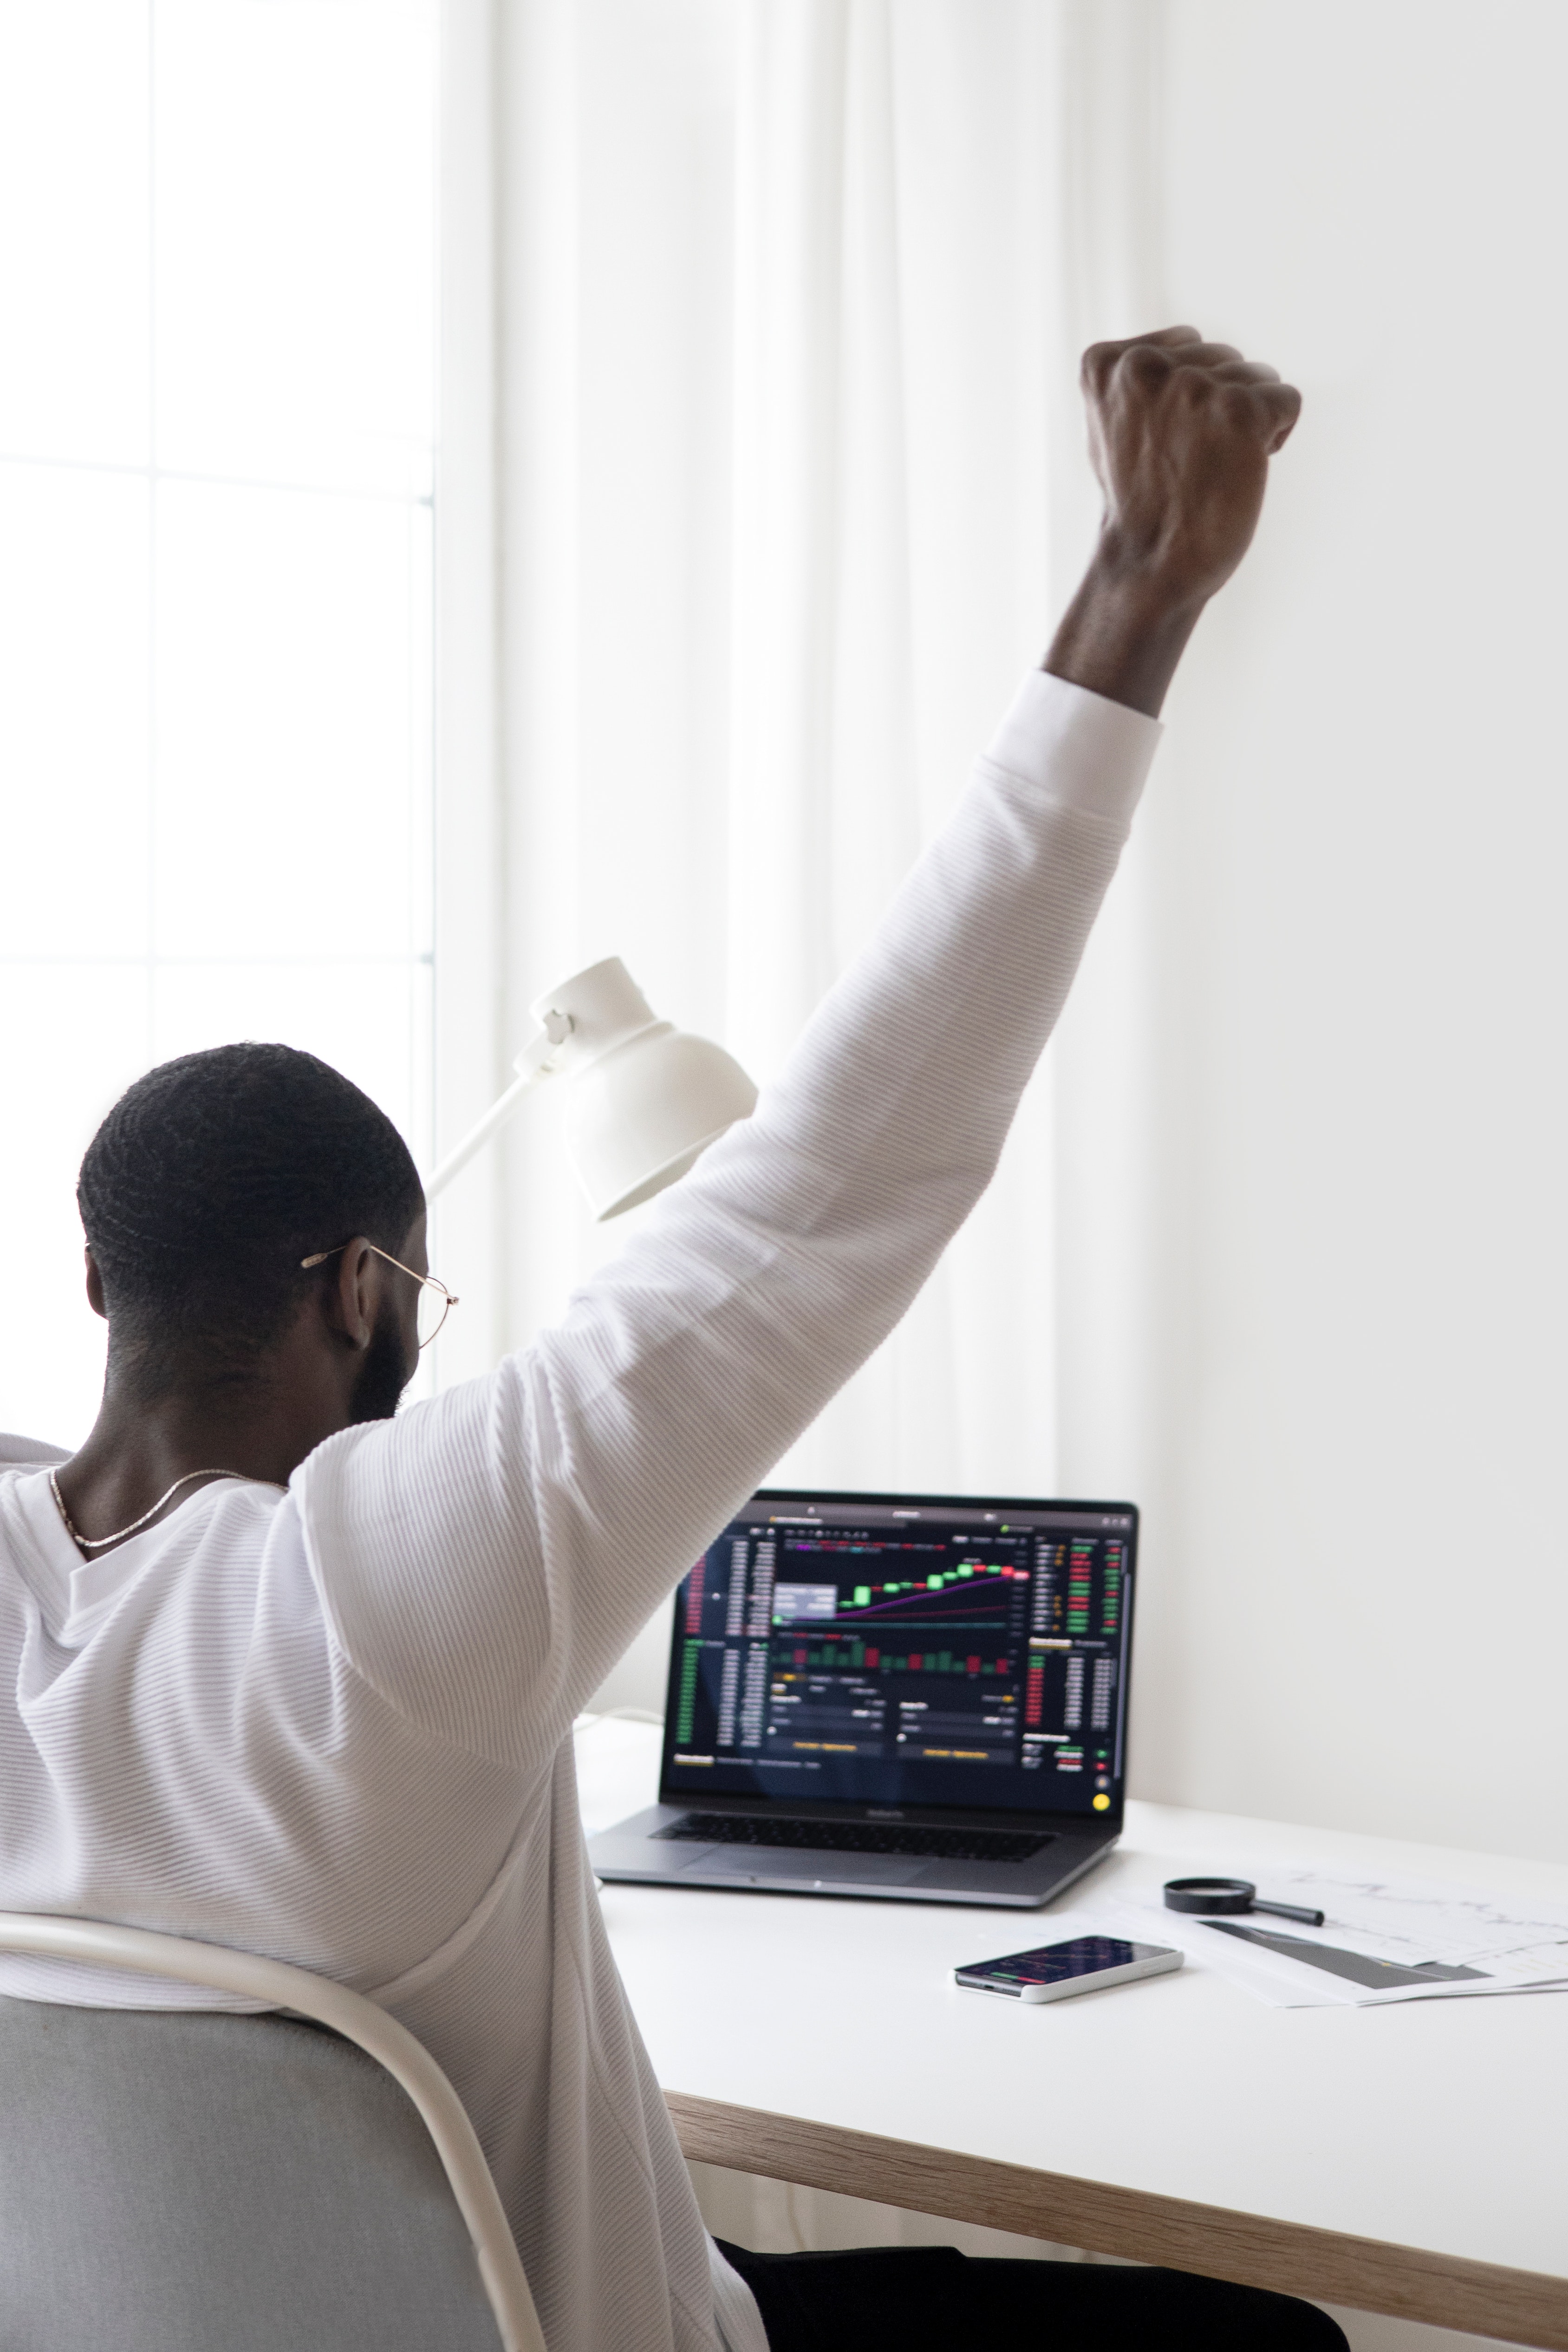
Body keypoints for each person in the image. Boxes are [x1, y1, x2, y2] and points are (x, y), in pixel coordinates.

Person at [0, 328, 1328, 2352]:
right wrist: (1134, 590)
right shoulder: (375, 1594)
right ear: (355, 1289)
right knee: (1257, 2331)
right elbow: (828, 1189)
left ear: (98, 1282)